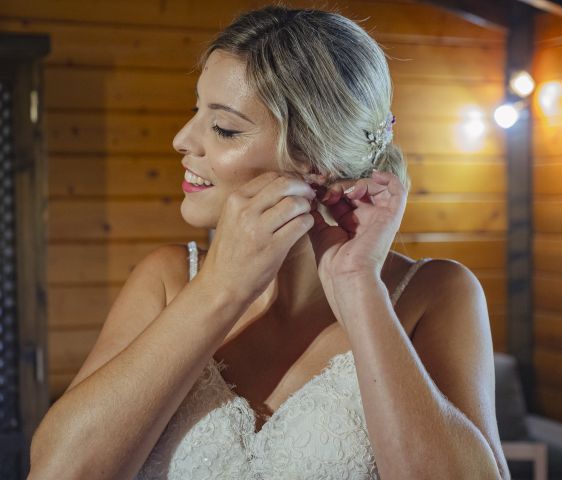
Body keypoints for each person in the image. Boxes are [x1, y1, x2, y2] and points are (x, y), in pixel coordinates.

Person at [28, 5, 510, 480]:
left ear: (315, 161)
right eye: (195, 111)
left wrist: (359, 286)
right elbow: (58, 472)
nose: (181, 140)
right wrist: (222, 287)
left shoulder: (436, 294)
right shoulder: (166, 279)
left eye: (224, 128)